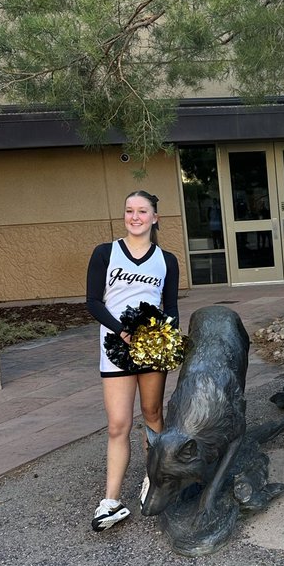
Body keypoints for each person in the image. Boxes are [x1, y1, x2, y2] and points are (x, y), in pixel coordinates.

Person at [85, 191, 180, 531]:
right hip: (116, 348)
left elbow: (170, 308)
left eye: (142, 211)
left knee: (153, 415)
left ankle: (154, 482)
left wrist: (167, 339)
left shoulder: (166, 260)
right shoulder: (105, 253)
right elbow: (93, 302)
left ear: (155, 217)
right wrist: (122, 330)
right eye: (129, 211)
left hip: (151, 349)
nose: (135, 217)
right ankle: (110, 501)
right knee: (118, 424)